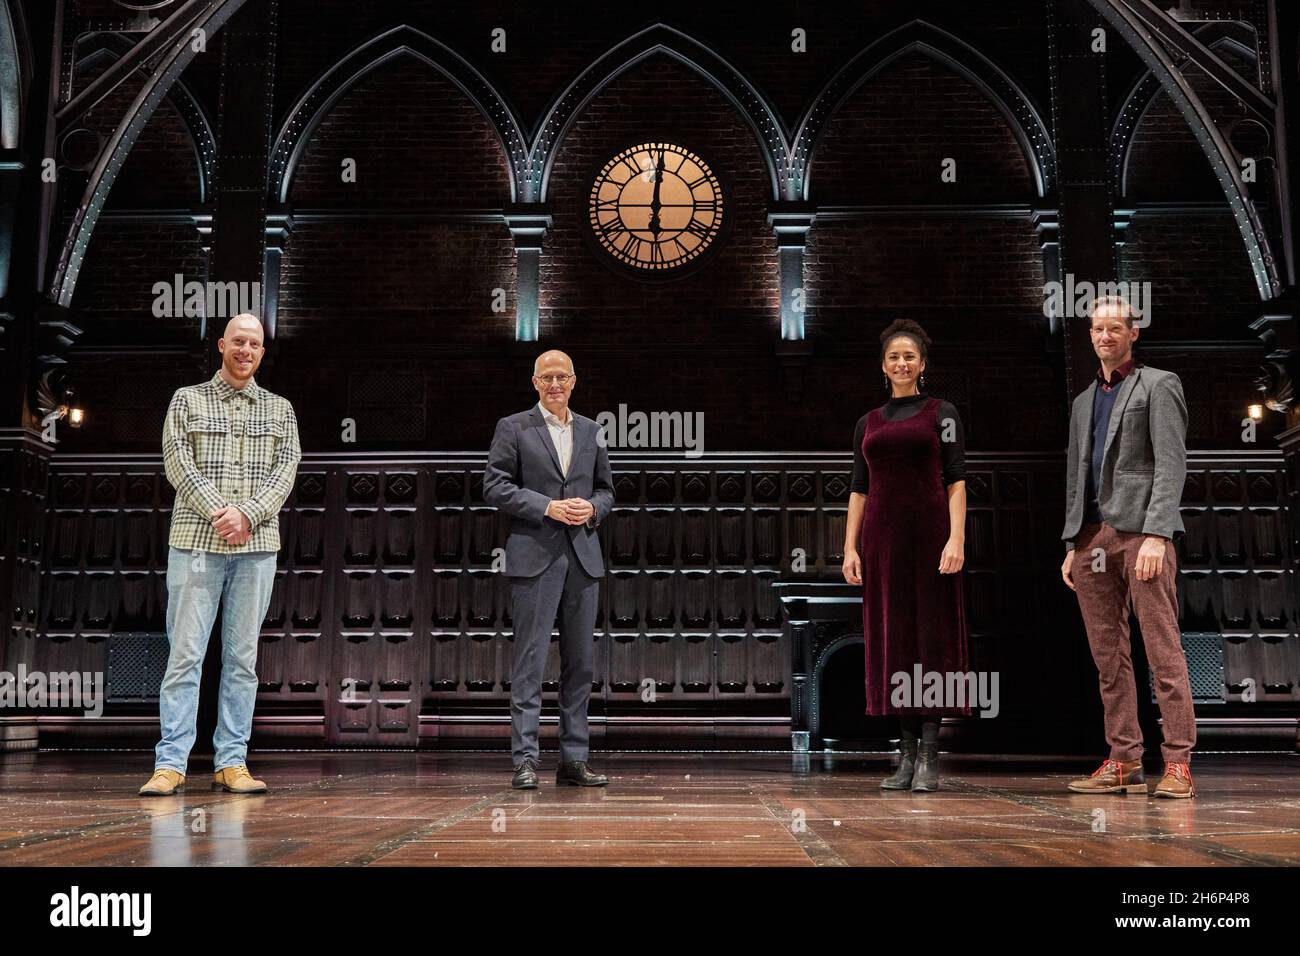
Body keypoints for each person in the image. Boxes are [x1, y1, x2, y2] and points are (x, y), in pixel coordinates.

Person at [139, 313, 301, 796]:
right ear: (221, 346)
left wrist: (247, 515)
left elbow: (285, 471)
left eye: (254, 343)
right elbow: (177, 461)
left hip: (256, 548)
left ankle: (232, 761)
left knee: (242, 660)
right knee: (185, 656)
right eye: (238, 342)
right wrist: (220, 512)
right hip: (195, 543)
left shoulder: (281, 409)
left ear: (262, 352)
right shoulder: (187, 399)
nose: (245, 350)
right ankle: (170, 764)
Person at [1061, 295, 1195, 798]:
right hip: (1092, 536)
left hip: (1142, 533)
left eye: (1115, 327)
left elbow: (1171, 463)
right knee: (1108, 657)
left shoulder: (1159, 385)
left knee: (1162, 649)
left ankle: (1178, 762)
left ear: (1132, 333)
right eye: (1098, 328)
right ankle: (1124, 759)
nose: (1105, 336)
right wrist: (1072, 543)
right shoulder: (1082, 402)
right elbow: (1077, 477)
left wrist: (1159, 534)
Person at [842, 319, 968, 792]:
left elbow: (956, 479)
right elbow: (859, 488)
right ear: (883, 365)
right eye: (894, 356)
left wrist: (956, 540)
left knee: (930, 640)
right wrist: (849, 547)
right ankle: (906, 754)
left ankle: (931, 755)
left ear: (922, 363)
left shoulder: (942, 412)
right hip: (883, 542)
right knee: (893, 641)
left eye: (909, 356)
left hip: (931, 538)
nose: (901, 363)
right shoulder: (867, 422)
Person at [483, 350, 614, 789]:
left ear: (574, 381)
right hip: (534, 556)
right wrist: (547, 507)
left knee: (580, 665)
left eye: (562, 377)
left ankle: (573, 760)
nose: (555, 384)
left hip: (582, 558)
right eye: (547, 378)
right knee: (530, 661)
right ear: (534, 382)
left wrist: (591, 508)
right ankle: (525, 760)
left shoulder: (594, 431)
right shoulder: (514, 426)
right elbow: (495, 486)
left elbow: (607, 491)